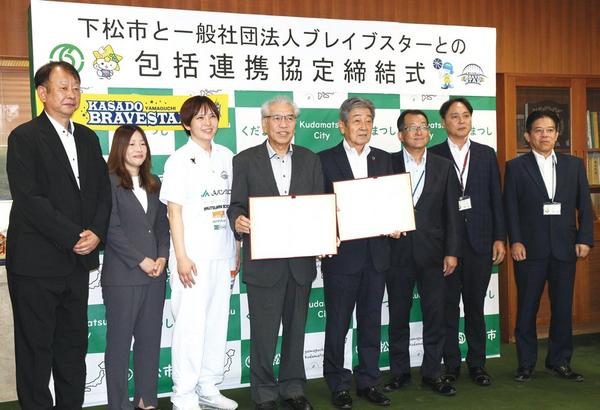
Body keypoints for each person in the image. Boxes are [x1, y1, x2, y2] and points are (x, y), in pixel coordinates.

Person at [6, 61, 111, 409]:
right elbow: (30, 199)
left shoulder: (88, 137)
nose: (71, 94)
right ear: (42, 93)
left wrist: (96, 232)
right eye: (63, 87)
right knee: (36, 351)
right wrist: (74, 235)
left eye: (76, 88)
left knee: (72, 347)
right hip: (36, 264)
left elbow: (102, 194)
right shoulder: (24, 137)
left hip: (76, 264)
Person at [227, 96, 323, 410]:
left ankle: (293, 389)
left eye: (289, 118)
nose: (284, 125)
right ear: (264, 124)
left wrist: (324, 235)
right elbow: (236, 205)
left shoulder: (310, 159)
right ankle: (265, 394)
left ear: (295, 123)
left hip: (300, 262)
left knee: (296, 332)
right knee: (264, 335)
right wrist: (237, 220)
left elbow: (319, 206)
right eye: (277, 118)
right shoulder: (245, 160)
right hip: (264, 262)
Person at [160, 96, 240, 410]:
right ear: (186, 124)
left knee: (216, 324)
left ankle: (208, 386)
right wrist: (181, 256)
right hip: (192, 258)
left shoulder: (226, 156)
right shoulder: (178, 160)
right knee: (190, 327)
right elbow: (174, 212)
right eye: (200, 118)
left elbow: (234, 207)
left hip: (223, 252)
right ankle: (183, 395)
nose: (208, 123)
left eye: (212, 116)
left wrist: (237, 250)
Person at [504, 110, 593, 383]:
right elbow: (511, 208)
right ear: (527, 136)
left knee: (563, 308)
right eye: (539, 130)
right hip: (529, 250)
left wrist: (584, 238)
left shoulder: (574, 165)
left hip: (565, 248)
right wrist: (515, 240)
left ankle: (560, 361)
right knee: (527, 308)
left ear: (557, 134)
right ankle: (526, 364)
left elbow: (584, 205)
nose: (545, 135)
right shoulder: (516, 167)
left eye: (550, 130)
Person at [319, 97, 394, 409]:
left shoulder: (384, 159)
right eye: (357, 120)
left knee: (371, 321)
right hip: (342, 257)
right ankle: (338, 384)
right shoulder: (324, 160)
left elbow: (392, 202)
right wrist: (327, 234)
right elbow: (319, 206)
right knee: (338, 323)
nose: (364, 127)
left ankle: (369, 381)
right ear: (342, 125)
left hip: (377, 255)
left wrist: (396, 223)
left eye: (368, 121)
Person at [383, 110, 461, 397]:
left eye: (423, 126)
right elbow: (377, 207)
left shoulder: (444, 166)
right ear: (400, 134)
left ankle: (432, 373)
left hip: (434, 254)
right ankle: (399, 372)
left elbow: (452, 213)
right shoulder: (387, 164)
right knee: (398, 316)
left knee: (435, 316)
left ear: (430, 132)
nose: (418, 131)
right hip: (396, 253)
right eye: (411, 127)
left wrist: (452, 252)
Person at [429, 97, 506, 386]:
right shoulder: (433, 154)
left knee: (475, 307)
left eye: (465, 115)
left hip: (480, 243)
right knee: (448, 307)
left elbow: (496, 199)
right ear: (443, 122)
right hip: (446, 246)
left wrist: (499, 237)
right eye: (454, 116)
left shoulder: (486, 154)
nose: (461, 121)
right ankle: (451, 365)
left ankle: (477, 365)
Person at [102, 125, 170, 410]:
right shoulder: (108, 182)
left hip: (155, 276)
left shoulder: (153, 182)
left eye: (142, 143)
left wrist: (162, 257)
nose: (139, 149)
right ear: (120, 148)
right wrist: (141, 260)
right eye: (131, 144)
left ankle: (146, 399)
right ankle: (119, 404)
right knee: (119, 344)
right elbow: (111, 229)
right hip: (123, 277)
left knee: (149, 340)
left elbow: (162, 226)